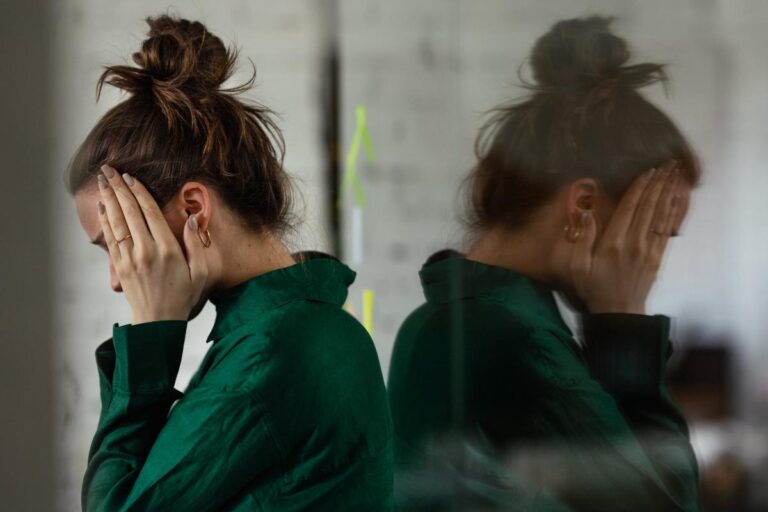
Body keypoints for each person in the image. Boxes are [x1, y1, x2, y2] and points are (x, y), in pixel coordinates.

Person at [68, 15, 393, 511]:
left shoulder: (274, 353)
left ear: (194, 209)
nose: (116, 278)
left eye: (114, 243)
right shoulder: (288, 333)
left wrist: (153, 327)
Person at [387, 16, 701, 512]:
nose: (652, 261)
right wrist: (625, 320)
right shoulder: (510, 336)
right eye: (657, 232)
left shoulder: (460, 316)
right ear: (582, 206)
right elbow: (671, 502)